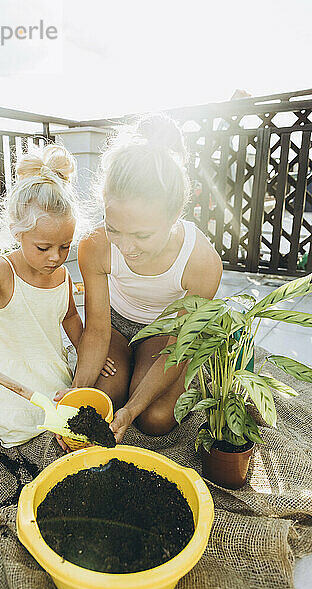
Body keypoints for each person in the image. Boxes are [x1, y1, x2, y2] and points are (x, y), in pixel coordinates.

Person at [55, 114, 223, 451]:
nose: (126, 247)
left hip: (164, 335)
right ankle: (126, 377)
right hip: (115, 327)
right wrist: (76, 392)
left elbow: (177, 346)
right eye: (114, 228)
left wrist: (131, 411)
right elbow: (98, 329)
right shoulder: (96, 244)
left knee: (155, 419)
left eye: (142, 235)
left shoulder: (201, 262)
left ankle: (188, 373)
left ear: (175, 216)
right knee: (101, 399)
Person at [0, 144, 114, 448]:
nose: (55, 258)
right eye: (43, 248)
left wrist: (88, 350)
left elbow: (70, 316)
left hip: (49, 367)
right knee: (19, 429)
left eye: (64, 246)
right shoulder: (1, 271)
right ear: (17, 231)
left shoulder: (62, 276)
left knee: (69, 407)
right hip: (7, 376)